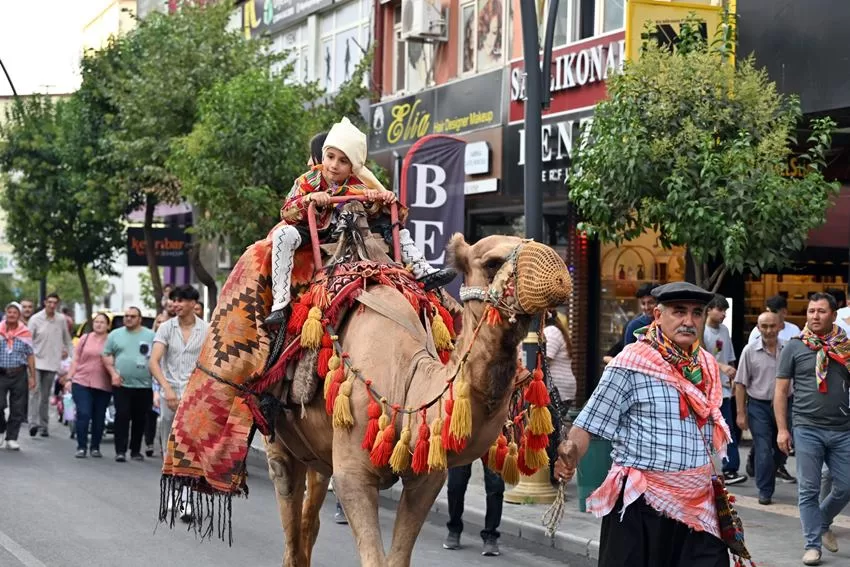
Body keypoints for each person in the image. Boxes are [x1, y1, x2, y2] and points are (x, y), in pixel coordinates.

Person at [555, 282, 731, 567]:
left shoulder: (707, 365)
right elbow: (590, 422)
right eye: (679, 312)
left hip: (697, 505)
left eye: (697, 313)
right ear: (658, 316)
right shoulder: (630, 362)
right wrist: (570, 456)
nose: (689, 321)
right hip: (642, 506)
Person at [264, 116, 457, 329]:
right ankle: (279, 306)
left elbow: (382, 211)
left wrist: (384, 199)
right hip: (314, 232)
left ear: (353, 166)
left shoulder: (362, 184)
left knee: (395, 228)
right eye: (330, 157)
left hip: (352, 235)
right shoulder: (306, 181)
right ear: (323, 156)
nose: (334, 165)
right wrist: (309, 199)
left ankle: (424, 271)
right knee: (283, 235)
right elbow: (287, 212)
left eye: (343, 161)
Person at [775, 293, 850, 566]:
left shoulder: (845, 346)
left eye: (820, 311)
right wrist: (783, 429)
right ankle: (812, 545)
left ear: (833, 315)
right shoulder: (793, 347)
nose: (815, 316)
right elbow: (781, 391)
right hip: (806, 427)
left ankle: (822, 520)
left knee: (846, 485)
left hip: (843, 428)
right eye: (810, 311)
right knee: (808, 488)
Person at [150, 284, 208, 521]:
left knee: (191, 447)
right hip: (169, 396)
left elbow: (210, 365)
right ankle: (173, 491)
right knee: (170, 446)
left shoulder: (207, 330)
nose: (176, 304)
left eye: (181, 300)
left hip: (196, 397)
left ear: (194, 304)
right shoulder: (166, 328)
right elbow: (154, 362)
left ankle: (186, 496)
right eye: (174, 300)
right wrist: (167, 390)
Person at [735, 311, 795, 505]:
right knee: (763, 449)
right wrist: (741, 413)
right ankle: (765, 490)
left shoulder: (789, 349)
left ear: (779, 326)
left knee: (782, 448)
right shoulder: (749, 351)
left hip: (786, 405)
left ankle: (762, 468)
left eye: (772, 326)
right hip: (758, 406)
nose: (768, 330)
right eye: (764, 326)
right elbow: (741, 384)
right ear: (758, 328)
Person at [102, 306, 156, 462]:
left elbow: (158, 356)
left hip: (145, 385)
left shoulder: (150, 335)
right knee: (122, 415)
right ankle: (120, 450)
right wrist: (113, 373)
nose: (128, 319)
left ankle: (135, 450)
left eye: (132, 316)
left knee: (140, 418)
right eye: (126, 316)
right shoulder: (115, 335)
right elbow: (106, 354)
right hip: (122, 384)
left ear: (140, 319)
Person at [703, 293, 746, 485]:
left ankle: (730, 468)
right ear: (709, 310)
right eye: (719, 310)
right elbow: (702, 357)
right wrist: (721, 367)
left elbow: (729, 357)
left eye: (724, 311)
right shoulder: (701, 332)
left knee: (727, 429)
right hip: (707, 391)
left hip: (725, 390)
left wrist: (733, 379)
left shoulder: (724, 330)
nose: (722, 314)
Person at [28, 292, 74, 437]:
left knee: (45, 395)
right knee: (34, 393)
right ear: (44, 303)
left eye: (55, 303)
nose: (52, 305)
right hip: (36, 361)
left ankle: (44, 426)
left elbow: (67, 339)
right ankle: (33, 423)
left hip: (52, 362)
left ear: (58, 304)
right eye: (49, 302)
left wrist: (73, 357)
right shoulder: (35, 319)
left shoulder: (61, 320)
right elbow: (28, 341)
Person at [68, 313, 111, 458]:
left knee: (99, 417)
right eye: (96, 322)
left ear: (107, 325)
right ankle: (81, 446)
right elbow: (75, 359)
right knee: (84, 413)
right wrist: (69, 378)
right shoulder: (84, 339)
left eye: (102, 322)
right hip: (81, 381)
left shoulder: (111, 340)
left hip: (103, 383)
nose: (99, 325)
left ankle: (95, 446)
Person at [443, 462, 504, 557]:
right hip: (463, 447)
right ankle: (454, 529)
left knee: (496, 486)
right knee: (455, 484)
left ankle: (490, 535)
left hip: (490, 446)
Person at [0, 302, 36, 451]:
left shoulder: (25, 332)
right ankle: (1, 428)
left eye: (15, 313)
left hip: (19, 373)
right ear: (5, 313)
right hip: (1, 373)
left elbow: (30, 355)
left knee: (17, 408)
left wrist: (32, 376)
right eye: (10, 312)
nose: (12, 315)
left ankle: (12, 438)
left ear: (19, 315)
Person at [544, 311, 576, 403]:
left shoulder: (551, 331)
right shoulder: (555, 330)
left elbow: (545, 359)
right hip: (561, 388)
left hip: (557, 389)